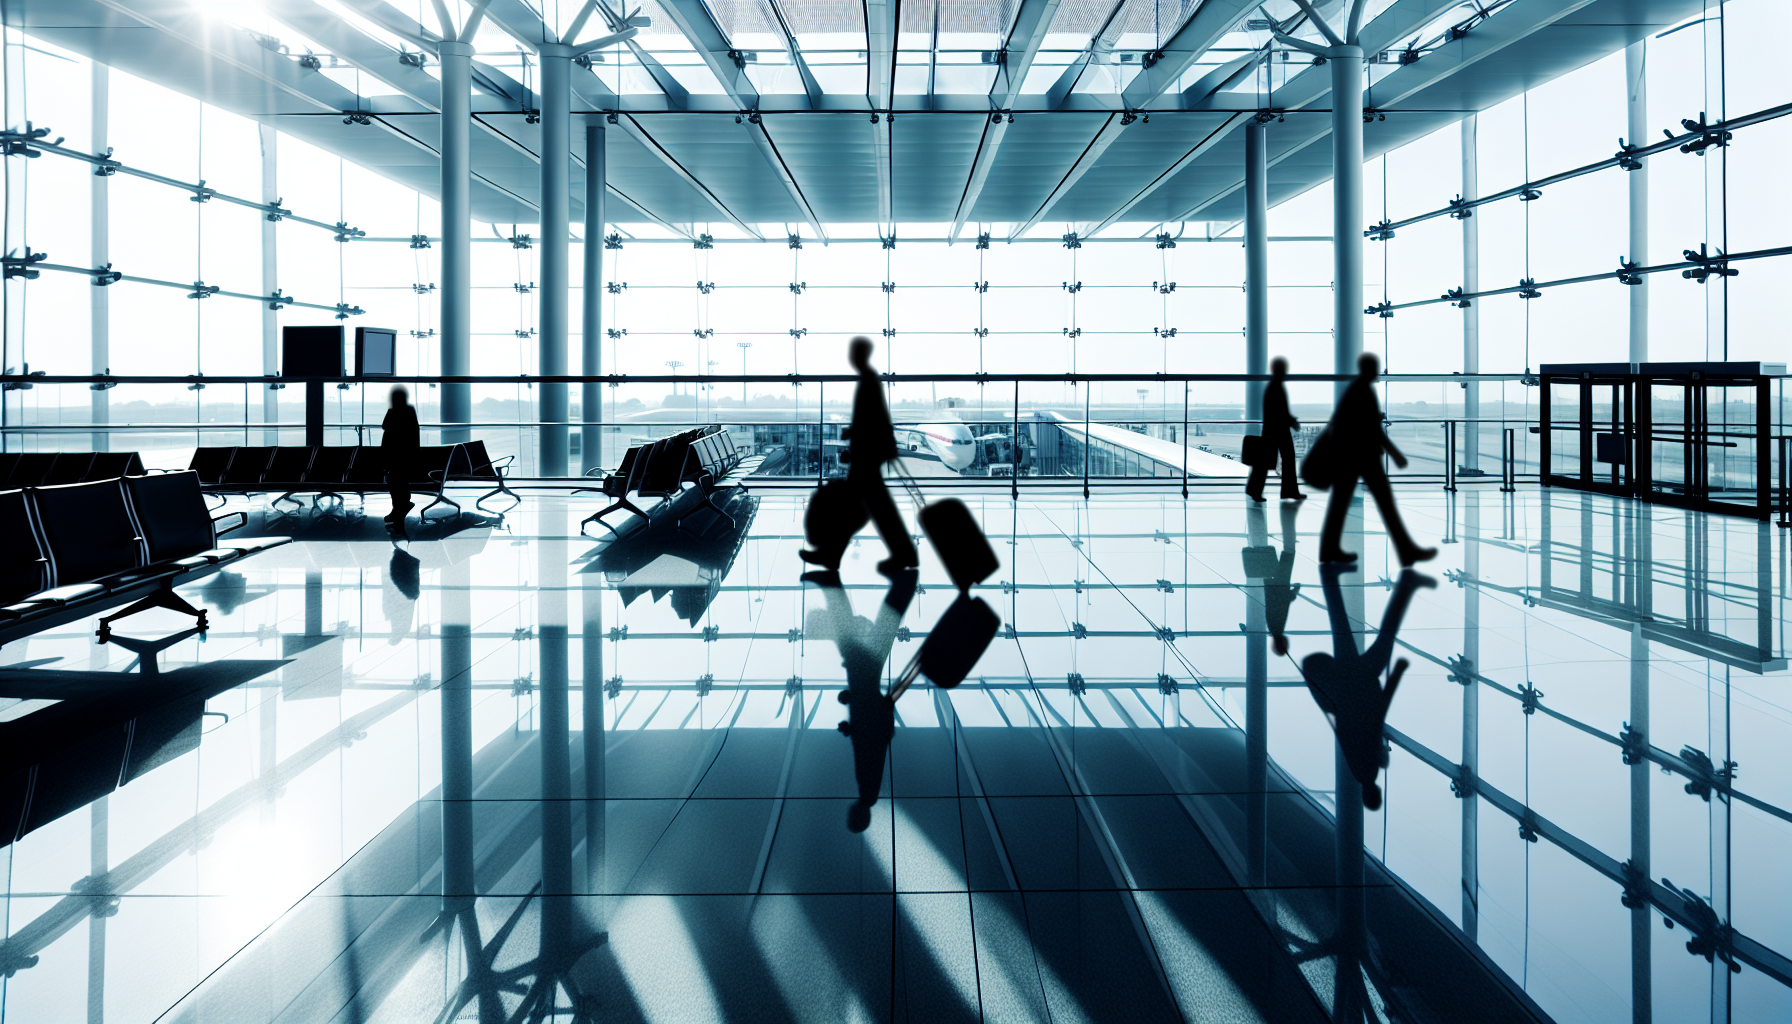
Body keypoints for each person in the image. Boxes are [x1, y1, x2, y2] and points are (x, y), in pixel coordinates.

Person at [1301, 566, 1434, 810]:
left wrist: (1397, 674)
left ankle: (1406, 584)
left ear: (1376, 794)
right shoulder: (1358, 770)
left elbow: (1376, 719)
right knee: (1341, 625)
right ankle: (1330, 577)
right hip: (1346, 687)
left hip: (1359, 683)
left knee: (1384, 638)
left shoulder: (1371, 768)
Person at [804, 566, 918, 833]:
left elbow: (873, 739)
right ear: (858, 817)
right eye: (852, 819)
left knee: (881, 631)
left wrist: (852, 720)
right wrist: (862, 709)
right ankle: (831, 582)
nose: (849, 815)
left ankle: (902, 584)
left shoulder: (867, 788)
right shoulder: (868, 789)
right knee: (854, 636)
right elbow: (876, 740)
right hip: (866, 691)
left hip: (865, 693)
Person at [801, 337, 918, 577]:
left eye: (853, 353)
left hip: (867, 454)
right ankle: (835, 554)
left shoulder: (868, 381)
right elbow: (876, 418)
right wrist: (855, 432)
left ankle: (834, 554)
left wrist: (856, 434)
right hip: (870, 452)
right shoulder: (869, 380)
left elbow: (872, 419)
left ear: (859, 355)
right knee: (867, 507)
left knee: (861, 508)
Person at [1311, 353, 1436, 567]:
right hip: (1362, 457)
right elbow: (1372, 429)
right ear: (1368, 369)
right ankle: (1406, 551)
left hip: (1351, 457)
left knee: (1341, 505)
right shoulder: (1363, 390)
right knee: (1384, 504)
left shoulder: (1356, 389)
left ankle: (1329, 550)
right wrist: (1395, 453)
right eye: (1375, 368)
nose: (1378, 372)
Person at [1246, 357, 1305, 503]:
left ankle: (1255, 490)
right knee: (1287, 458)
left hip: (1272, 428)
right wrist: (1292, 421)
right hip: (1279, 429)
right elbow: (1281, 411)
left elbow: (1276, 411)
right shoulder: (1277, 387)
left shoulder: (1272, 386)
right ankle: (1289, 490)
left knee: (1263, 461)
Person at [382, 385, 420, 524]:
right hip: (403, 453)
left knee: (395, 480)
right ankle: (400, 506)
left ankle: (399, 507)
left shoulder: (396, 412)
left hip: (398, 454)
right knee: (398, 480)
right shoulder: (408, 411)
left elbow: (385, 425)